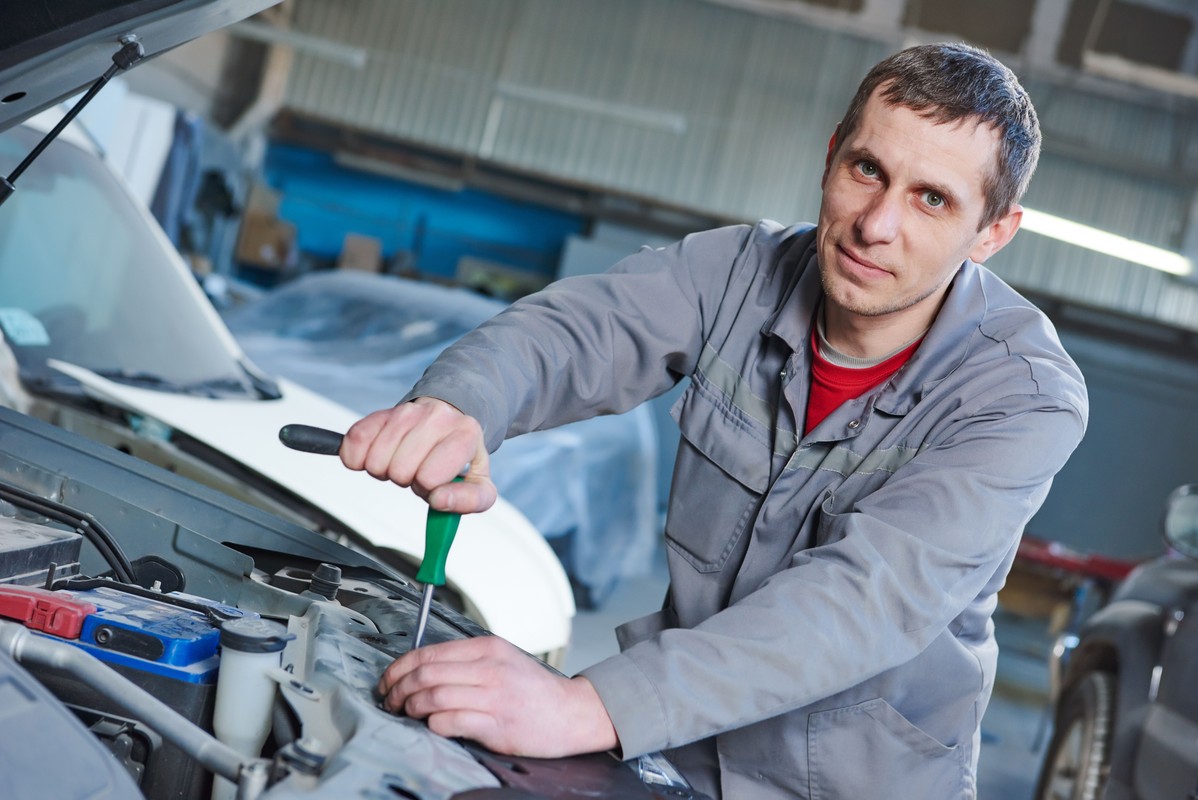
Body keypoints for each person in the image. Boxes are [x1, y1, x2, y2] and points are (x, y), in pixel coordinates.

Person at [341, 41, 1088, 799]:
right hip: (677, 752)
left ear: (992, 232)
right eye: (867, 169)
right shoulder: (740, 272)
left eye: (932, 200)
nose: (876, 225)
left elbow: (865, 599)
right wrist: (459, 405)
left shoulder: (1023, 398)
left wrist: (587, 707)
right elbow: (580, 330)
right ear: (831, 156)